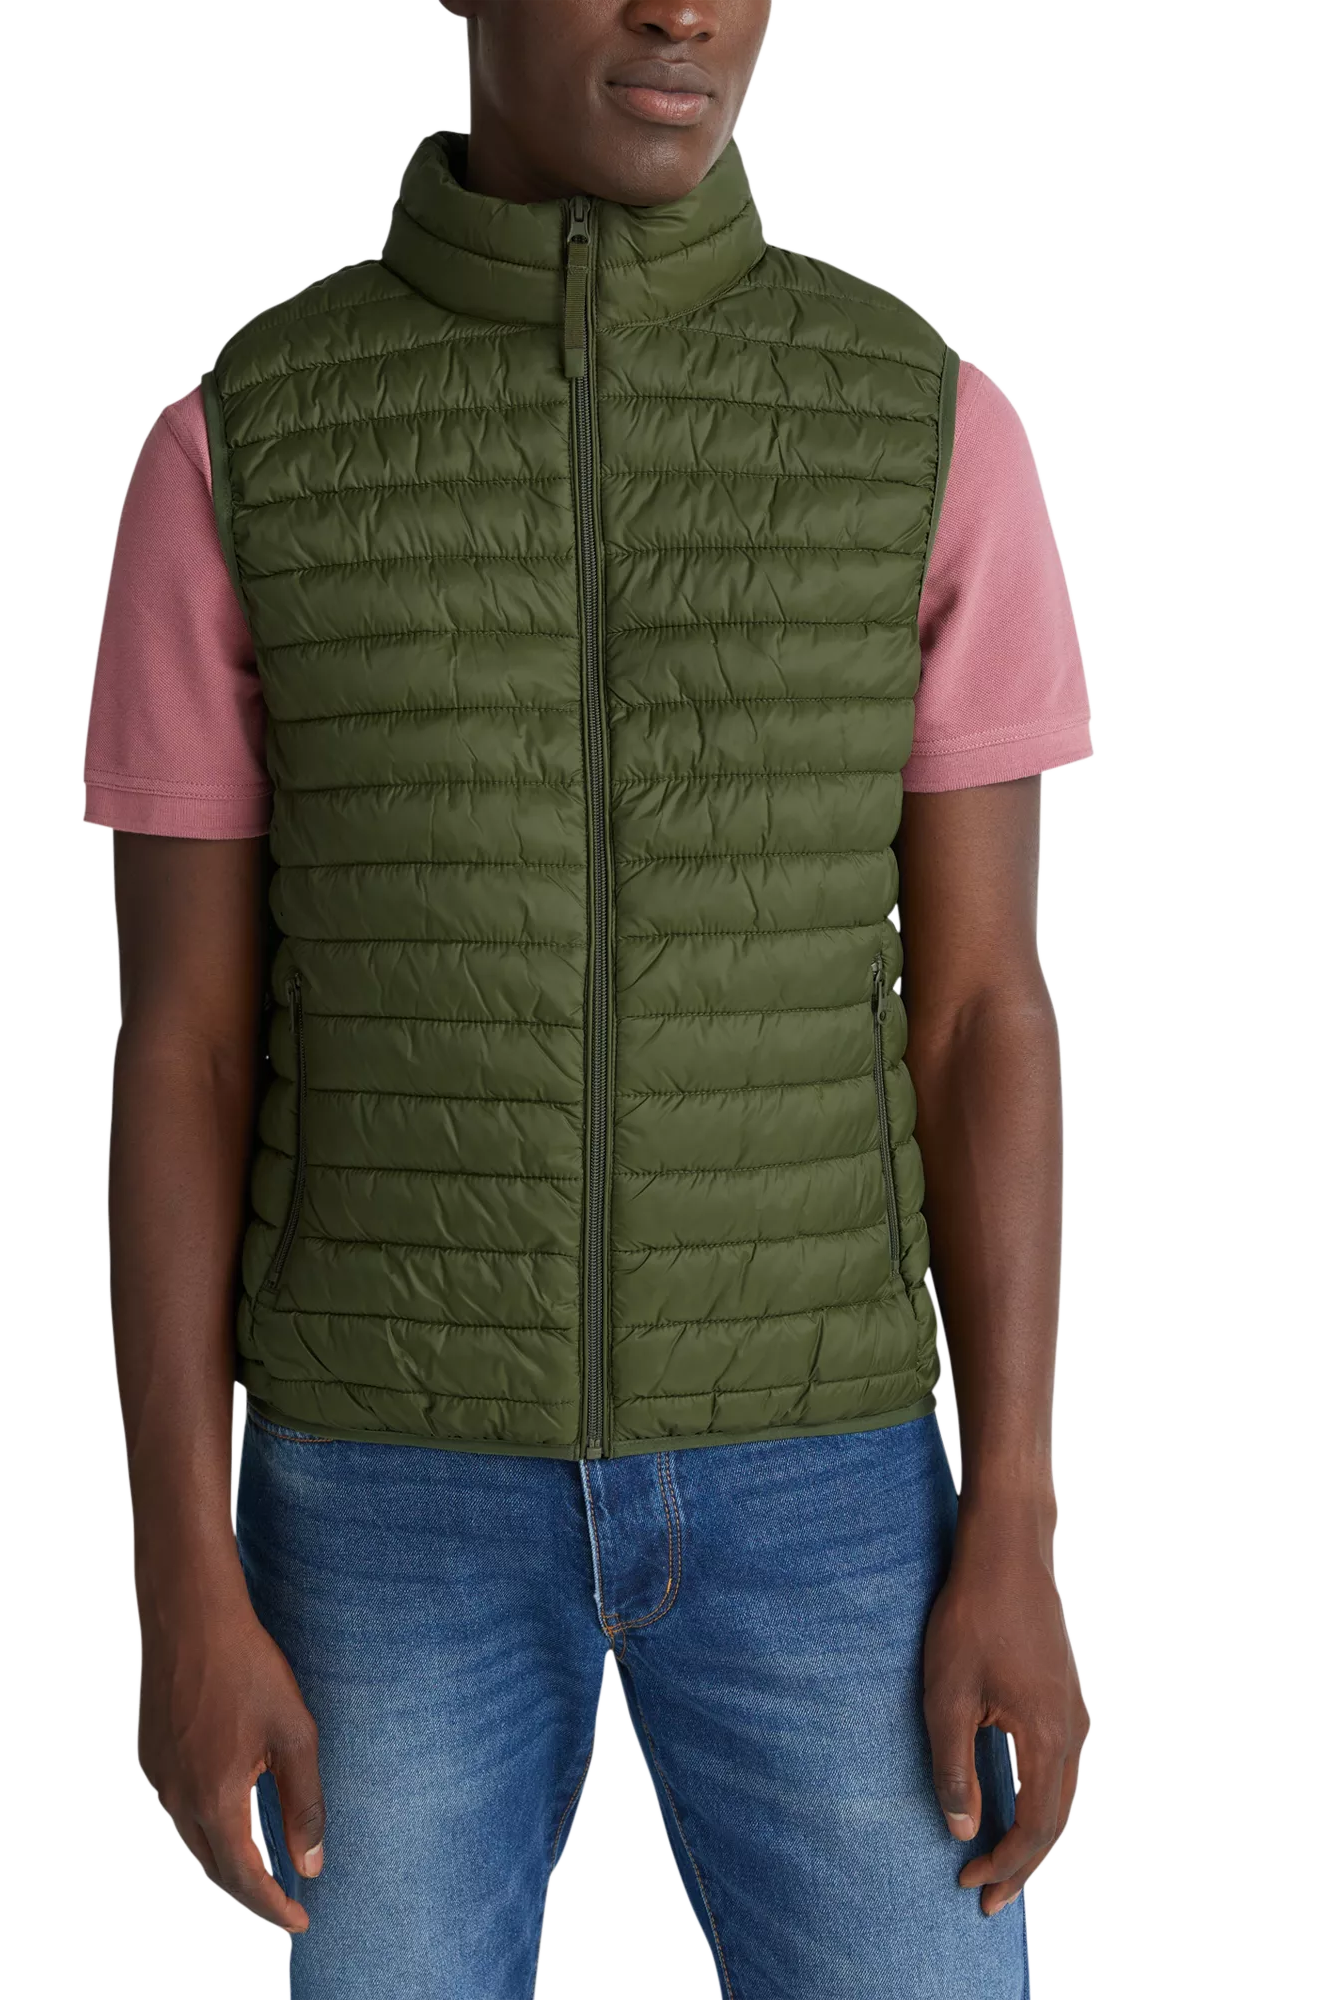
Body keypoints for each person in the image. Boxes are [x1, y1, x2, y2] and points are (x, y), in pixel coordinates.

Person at [87, 2, 1092, 1993]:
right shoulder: (243, 448)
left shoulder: (921, 426)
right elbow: (179, 1050)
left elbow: (985, 1010)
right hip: (382, 1491)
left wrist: (1016, 1519)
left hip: (830, 1482)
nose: (684, 10)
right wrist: (179, 1574)